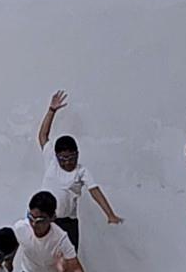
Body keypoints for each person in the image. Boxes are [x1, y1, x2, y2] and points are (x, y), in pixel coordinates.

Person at [36, 90, 124, 249]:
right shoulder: (51, 160)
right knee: (46, 257)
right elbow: (43, 135)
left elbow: (95, 191)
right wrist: (51, 111)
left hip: (68, 223)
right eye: (63, 159)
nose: (68, 162)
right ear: (57, 156)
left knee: (69, 258)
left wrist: (110, 214)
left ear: (77, 154)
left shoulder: (81, 171)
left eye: (72, 158)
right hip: (47, 220)